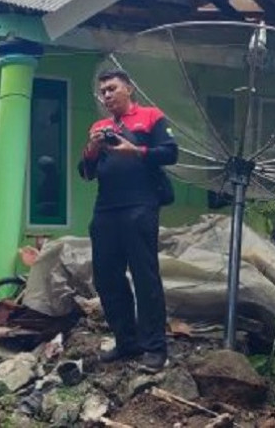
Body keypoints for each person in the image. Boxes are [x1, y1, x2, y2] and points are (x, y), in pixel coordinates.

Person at [78, 68, 178, 373]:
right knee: (106, 277)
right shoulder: (100, 126)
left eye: (112, 88)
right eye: (103, 92)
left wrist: (137, 150)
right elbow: (85, 173)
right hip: (106, 209)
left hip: (140, 205)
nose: (106, 95)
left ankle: (154, 348)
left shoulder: (150, 116)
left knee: (145, 275)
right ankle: (126, 341)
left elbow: (170, 153)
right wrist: (94, 148)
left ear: (128, 89)